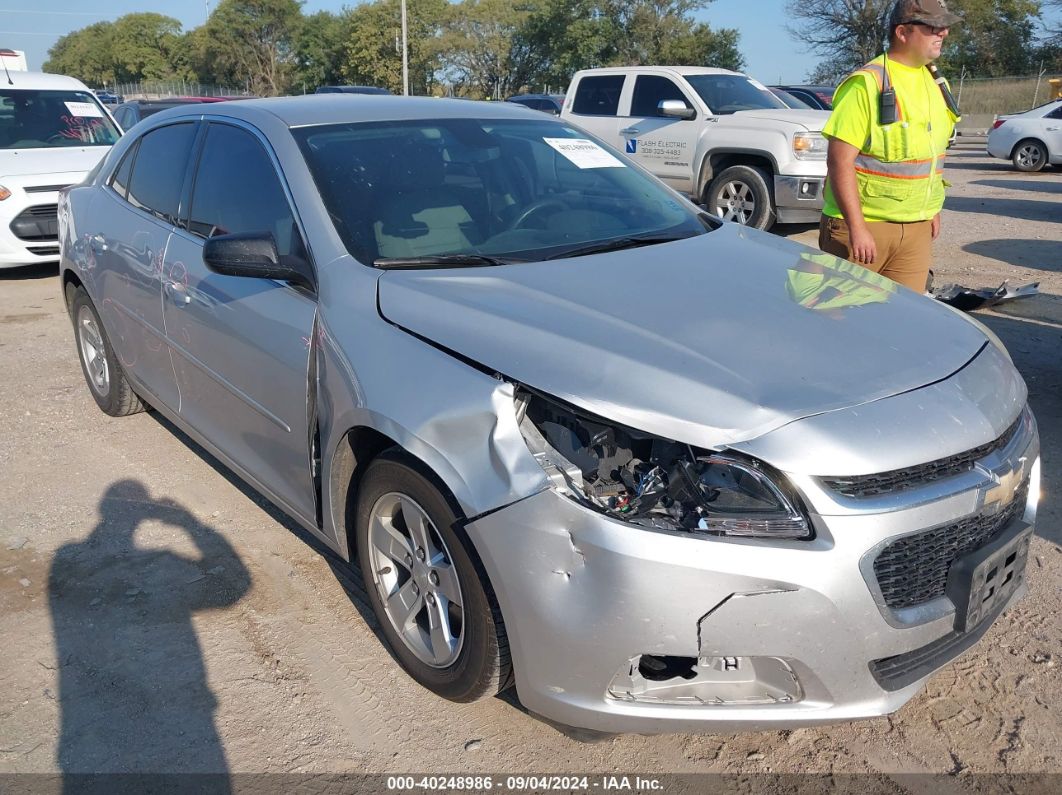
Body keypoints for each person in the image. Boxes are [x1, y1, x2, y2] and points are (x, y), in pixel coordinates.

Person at [819, 0, 961, 292]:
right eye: (933, 26)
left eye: (944, 26)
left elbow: (930, 156)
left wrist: (931, 210)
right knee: (843, 318)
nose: (943, 32)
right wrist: (857, 229)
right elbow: (839, 162)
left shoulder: (935, 83)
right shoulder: (867, 84)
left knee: (903, 322)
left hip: (916, 230)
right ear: (903, 33)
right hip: (862, 228)